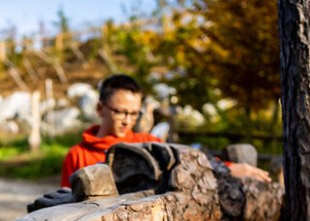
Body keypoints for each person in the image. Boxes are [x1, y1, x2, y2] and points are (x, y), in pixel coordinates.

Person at [60, 74, 271, 187]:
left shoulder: (148, 144)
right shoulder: (78, 155)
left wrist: (231, 168)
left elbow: (190, 162)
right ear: (100, 108)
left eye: (134, 114)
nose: (128, 120)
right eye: (120, 112)